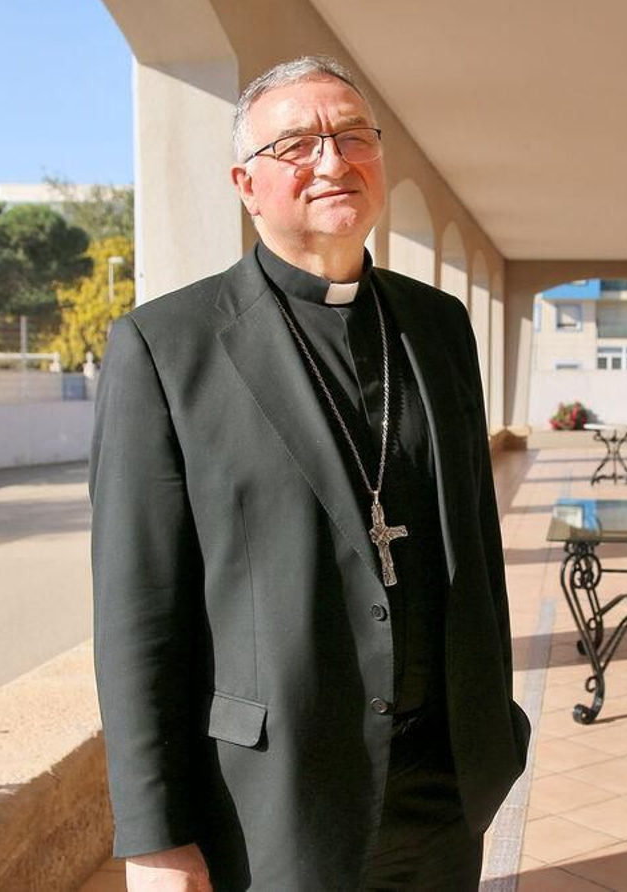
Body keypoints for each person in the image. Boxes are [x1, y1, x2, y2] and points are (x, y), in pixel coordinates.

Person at [89, 55, 530, 891]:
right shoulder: (166, 347)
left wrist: (495, 736)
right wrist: (154, 836)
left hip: (441, 788)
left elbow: (474, 537)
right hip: (273, 799)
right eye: (298, 144)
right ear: (246, 184)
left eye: (353, 136)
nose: (333, 161)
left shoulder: (439, 328)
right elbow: (137, 610)